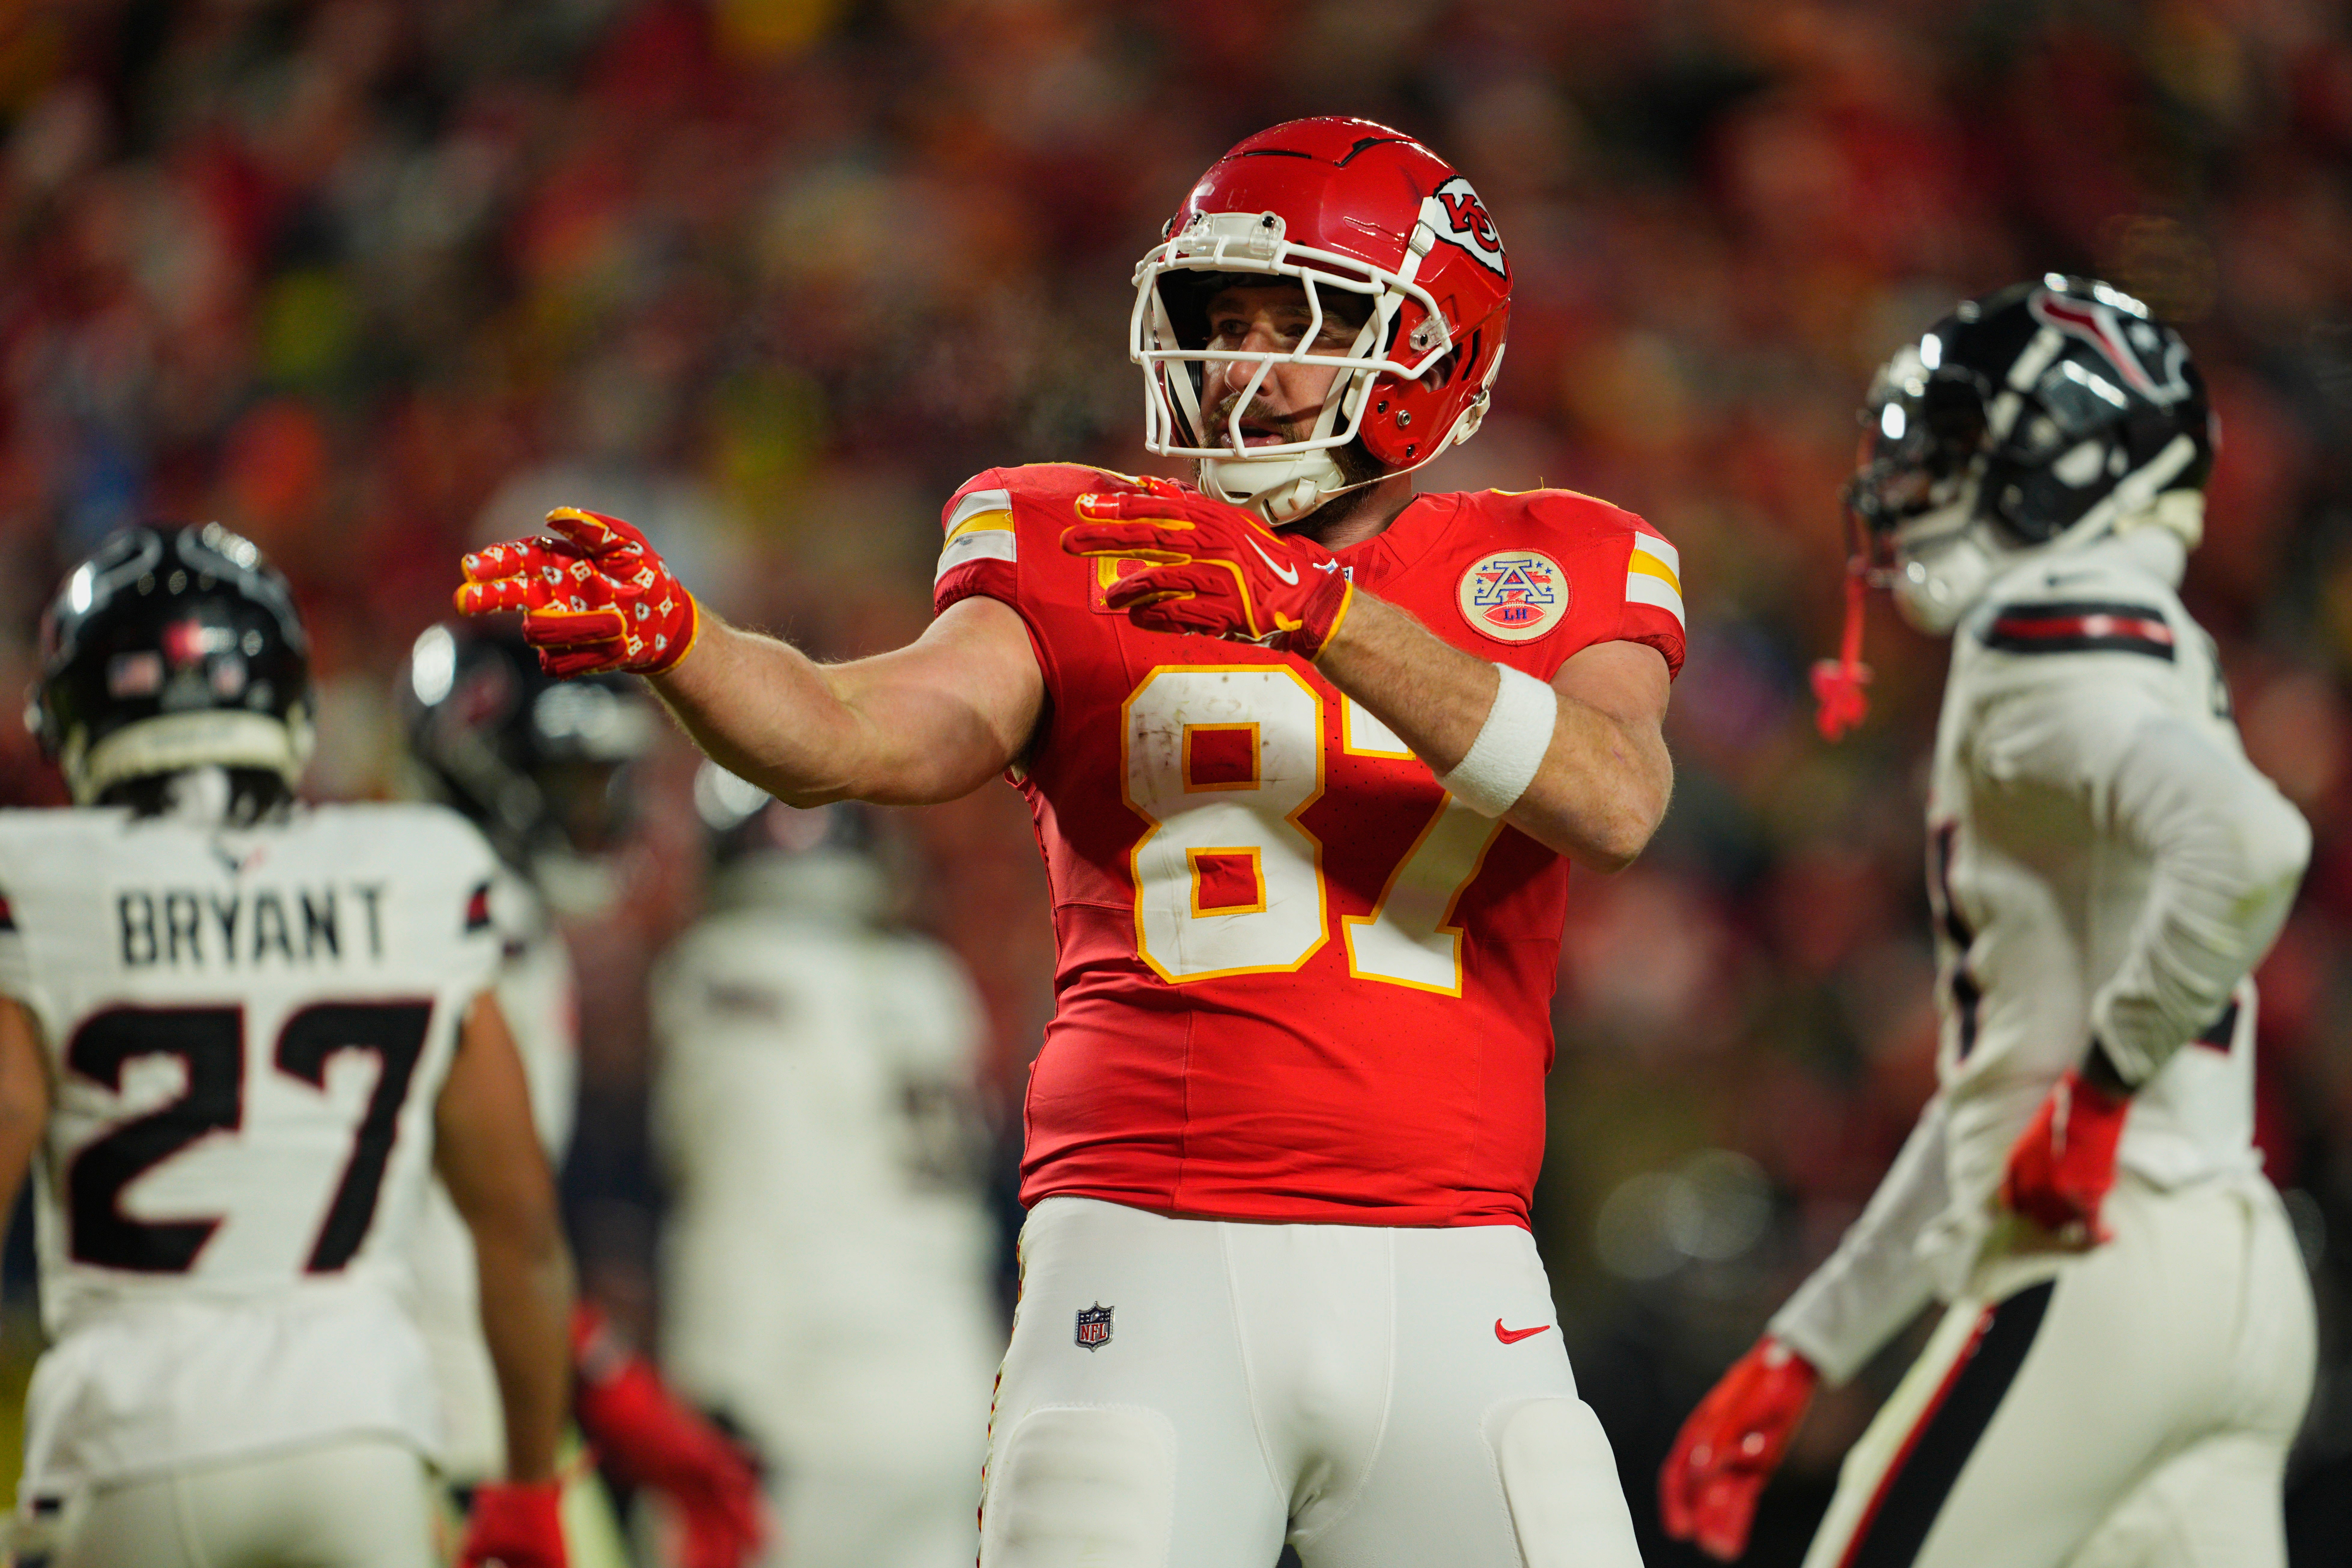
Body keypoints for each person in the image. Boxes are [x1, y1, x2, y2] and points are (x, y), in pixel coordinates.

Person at [459, 116, 1685, 1567]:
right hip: (1144, 1258)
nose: (1240, 365)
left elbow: (1612, 800)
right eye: (1220, 320)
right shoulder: (1071, 537)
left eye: (1298, 321)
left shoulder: (1553, 557)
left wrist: (1320, 612)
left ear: (1431, 350)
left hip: (1456, 1265)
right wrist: (691, 649)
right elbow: (860, 732)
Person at [1659, 277, 2316, 1568]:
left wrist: (2100, 1093)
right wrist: (1814, 1339)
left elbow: (2251, 844)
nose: (1913, 476)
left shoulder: (2042, 637)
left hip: (2099, 1268)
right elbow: (1998, 1096)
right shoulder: (2152, 643)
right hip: (2238, 1276)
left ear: (2074, 457)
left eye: (1959, 447)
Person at [0, 523, 573, 1568]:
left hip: (133, 1437)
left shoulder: (39, 878)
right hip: (362, 1432)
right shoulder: (422, 869)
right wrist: (531, 1486)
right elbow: (522, 1227)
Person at [401, 621, 768, 1568]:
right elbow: (480, 1230)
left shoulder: (462, 906)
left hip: (451, 1403)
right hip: (445, 1427)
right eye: (572, 781)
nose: (598, 813)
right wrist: (613, 1382)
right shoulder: (481, 924)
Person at [649, 768, 1000, 1568]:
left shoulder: (726, 973)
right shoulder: (932, 984)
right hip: (951, 1394)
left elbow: (749, 1209)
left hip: (806, 1412)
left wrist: (718, 1403)